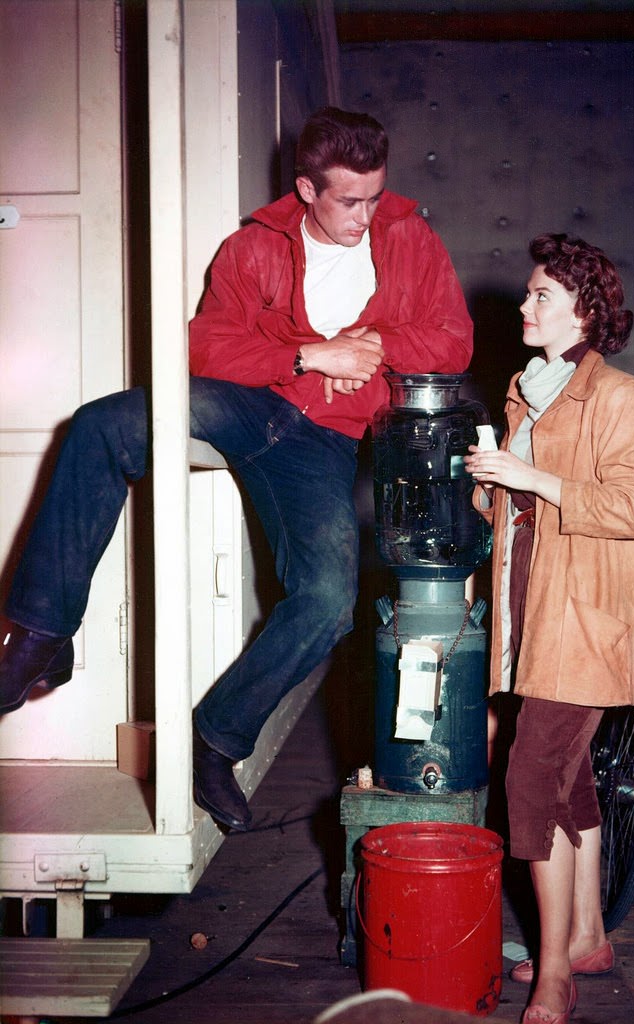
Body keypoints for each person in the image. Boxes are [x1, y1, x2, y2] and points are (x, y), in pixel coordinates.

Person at [0, 107, 473, 832]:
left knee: (327, 602)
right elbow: (204, 346)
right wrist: (308, 356)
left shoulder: (411, 238)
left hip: (324, 441)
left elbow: (453, 341)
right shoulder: (253, 246)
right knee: (101, 424)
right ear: (307, 189)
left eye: (375, 197)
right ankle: (41, 634)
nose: (366, 216)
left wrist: (372, 343)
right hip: (251, 405)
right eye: (350, 201)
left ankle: (213, 741)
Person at [465, 234, 634, 1024]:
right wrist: (493, 487)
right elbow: (523, 511)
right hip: (530, 605)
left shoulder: (620, 397)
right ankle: (586, 937)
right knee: (568, 774)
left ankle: (553, 972)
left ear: (583, 311)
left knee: (530, 776)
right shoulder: (530, 389)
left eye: (539, 296)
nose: (524, 306)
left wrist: (530, 476)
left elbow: (633, 508)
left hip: (584, 618)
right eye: (528, 294)